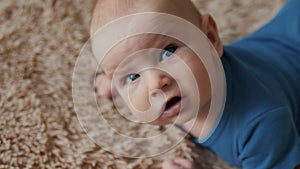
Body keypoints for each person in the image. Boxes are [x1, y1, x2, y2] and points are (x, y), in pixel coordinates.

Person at [90, 0, 300, 168]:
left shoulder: (261, 125)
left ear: (210, 39)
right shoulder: (183, 88)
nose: (154, 84)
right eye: (133, 77)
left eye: (168, 51)